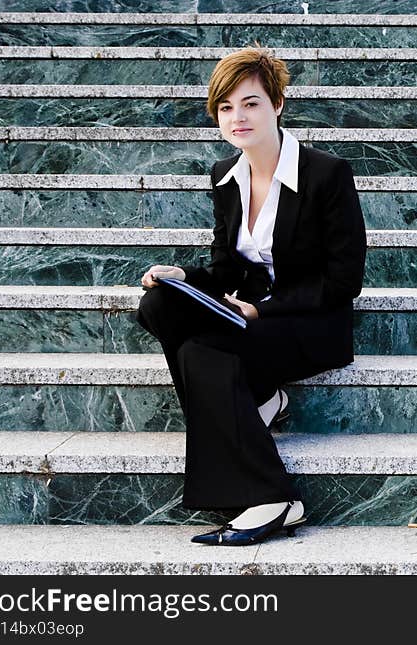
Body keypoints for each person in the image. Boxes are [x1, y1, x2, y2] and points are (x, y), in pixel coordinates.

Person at [135, 47, 367, 546]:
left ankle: (271, 498)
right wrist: (183, 275)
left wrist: (262, 308)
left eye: (250, 104)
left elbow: (345, 280)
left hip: (309, 320)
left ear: (278, 104)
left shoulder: (327, 173)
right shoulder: (225, 174)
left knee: (201, 351)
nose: (237, 118)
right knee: (158, 304)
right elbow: (226, 267)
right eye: (225, 107)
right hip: (250, 315)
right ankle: (259, 397)